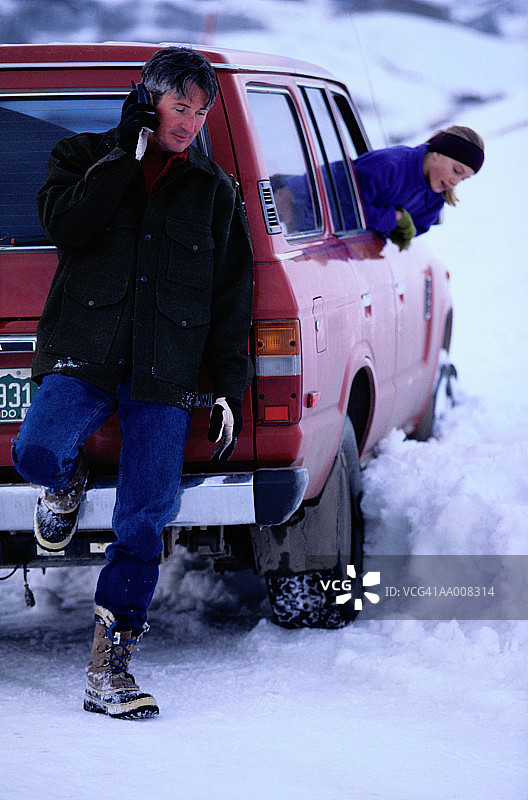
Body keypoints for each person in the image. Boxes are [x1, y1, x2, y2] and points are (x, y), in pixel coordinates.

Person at [11, 47, 254, 720]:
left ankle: (110, 669)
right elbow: (67, 225)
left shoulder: (214, 190)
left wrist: (227, 387)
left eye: (201, 113)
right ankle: (64, 484)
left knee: (143, 522)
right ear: (148, 99)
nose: (191, 124)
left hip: (164, 377)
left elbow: (232, 298)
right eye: (180, 107)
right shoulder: (82, 156)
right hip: (83, 355)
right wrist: (126, 151)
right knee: (35, 453)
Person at [353, 125, 485, 251]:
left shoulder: (437, 196)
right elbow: (346, 209)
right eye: (456, 171)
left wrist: (399, 231)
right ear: (437, 154)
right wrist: (394, 217)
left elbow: (417, 227)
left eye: (463, 179)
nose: (455, 182)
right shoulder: (386, 166)